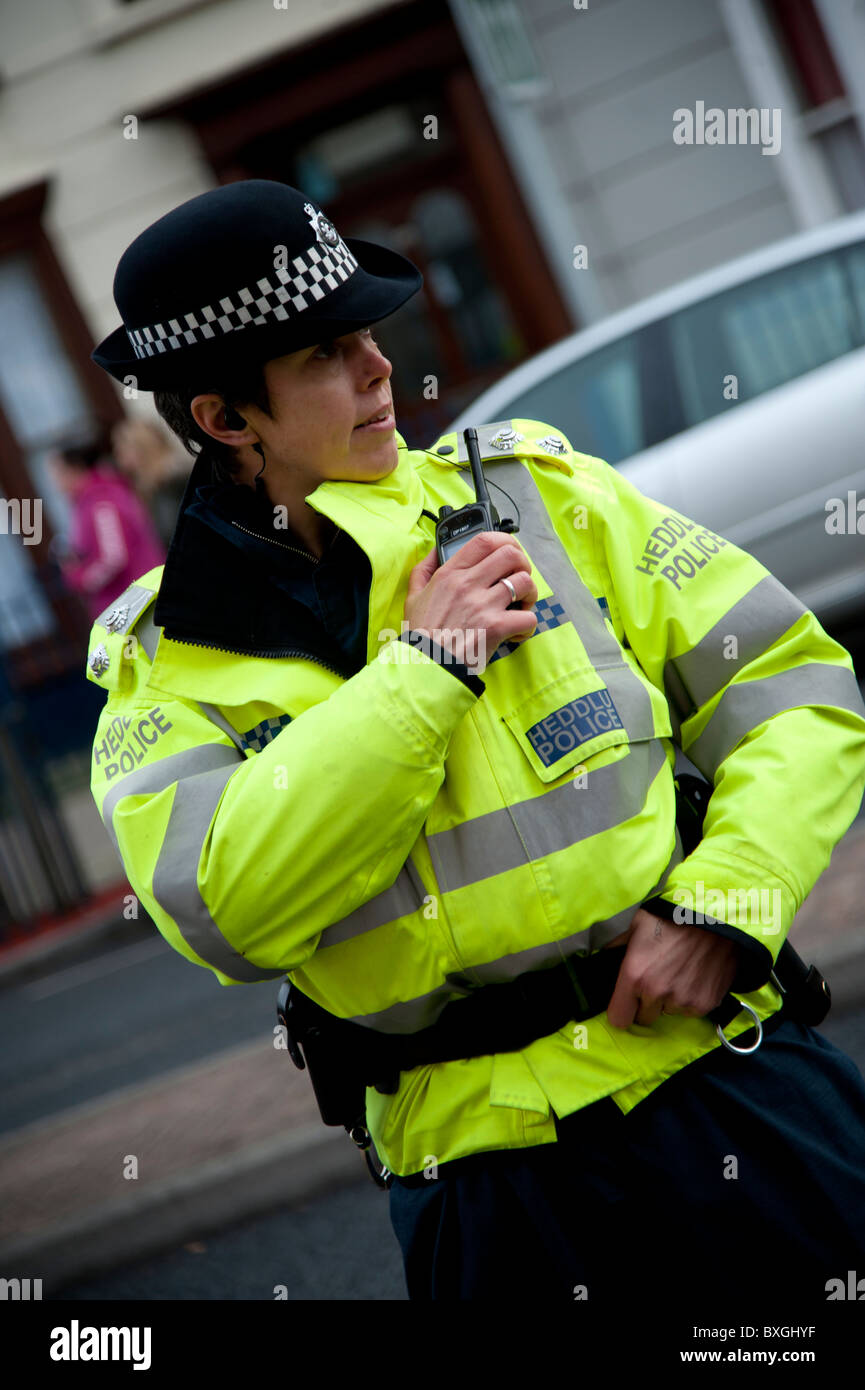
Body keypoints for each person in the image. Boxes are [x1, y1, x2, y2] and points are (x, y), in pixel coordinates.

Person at [86, 179, 865, 1307]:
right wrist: (422, 672)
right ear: (223, 419)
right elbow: (227, 908)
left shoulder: (542, 498)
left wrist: (727, 905)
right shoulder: (168, 662)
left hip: (725, 1086)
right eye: (324, 355)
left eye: (368, 336)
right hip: (490, 1188)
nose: (377, 371)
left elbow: (791, 684)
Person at [48, 437, 165, 622]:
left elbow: (114, 557)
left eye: (57, 473)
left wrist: (81, 578)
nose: (55, 482)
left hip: (137, 603)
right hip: (131, 602)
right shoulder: (89, 500)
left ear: (74, 468)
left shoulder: (101, 500)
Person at [111, 415, 192, 548]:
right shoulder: (149, 486)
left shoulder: (173, 481)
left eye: (121, 448)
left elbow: (173, 533)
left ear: (140, 448)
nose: (117, 454)